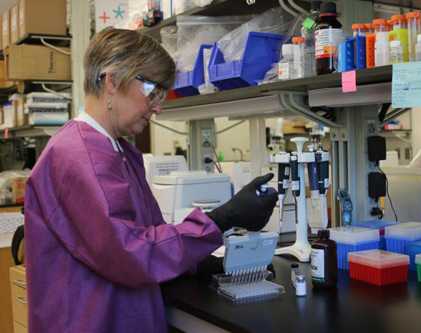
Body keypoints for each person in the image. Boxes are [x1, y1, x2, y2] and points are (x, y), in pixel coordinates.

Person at [24, 28, 278, 333]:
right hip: (90, 321)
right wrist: (224, 218)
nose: (158, 107)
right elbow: (131, 253)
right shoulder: (79, 157)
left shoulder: (119, 150)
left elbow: (152, 233)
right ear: (112, 80)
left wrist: (203, 262)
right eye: (152, 92)